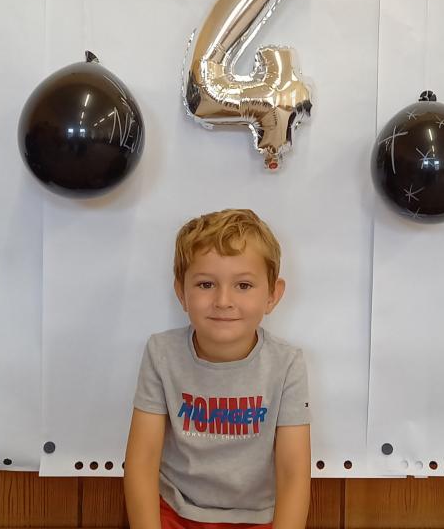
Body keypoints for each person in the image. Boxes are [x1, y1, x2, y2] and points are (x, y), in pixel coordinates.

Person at [124, 208, 311, 529]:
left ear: (272, 295)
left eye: (243, 285)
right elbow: (141, 462)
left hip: (258, 518)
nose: (223, 300)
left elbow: (293, 472)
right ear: (181, 292)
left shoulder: (287, 364)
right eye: (206, 284)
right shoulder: (161, 353)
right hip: (174, 511)